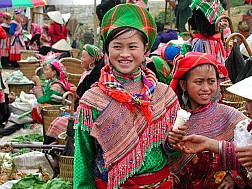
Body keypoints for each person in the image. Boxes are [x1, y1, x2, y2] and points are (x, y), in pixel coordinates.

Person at [74, 4, 186, 189]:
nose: (124, 54)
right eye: (117, 46)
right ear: (107, 50)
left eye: (132, 46)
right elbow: (83, 158)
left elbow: (171, 152)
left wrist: (173, 144)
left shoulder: (163, 95)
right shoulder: (92, 100)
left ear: (145, 49)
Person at [168, 51, 250, 188]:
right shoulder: (173, 118)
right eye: (198, 82)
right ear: (183, 85)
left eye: (211, 81)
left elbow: (248, 152)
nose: (206, 88)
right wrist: (171, 142)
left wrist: (234, 176)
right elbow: (164, 155)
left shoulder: (229, 115)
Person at [44, 44, 104, 144]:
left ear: (92, 60)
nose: (81, 59)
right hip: (79, 109)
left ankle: (53, 148)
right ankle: (49, 147)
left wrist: (75, 108)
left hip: (88, 115)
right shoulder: (88, 73)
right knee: (57, 121)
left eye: (83, 57)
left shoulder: (94, 77)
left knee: (59, 123)